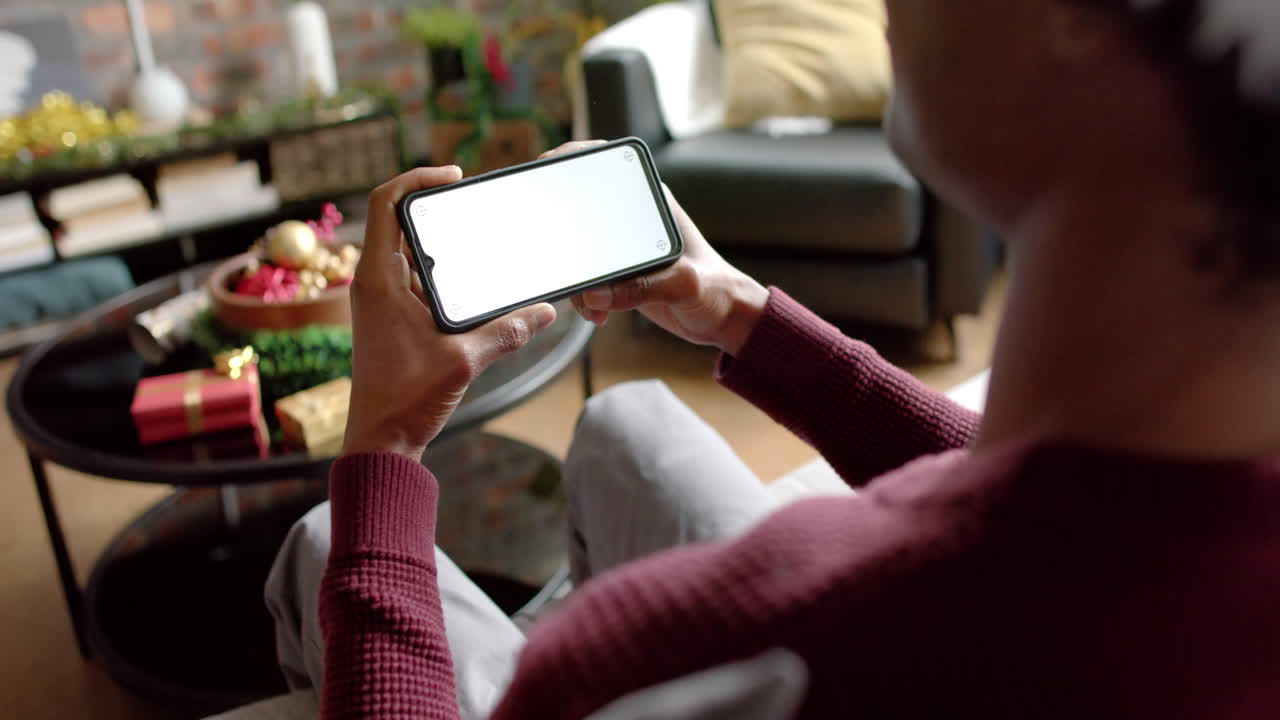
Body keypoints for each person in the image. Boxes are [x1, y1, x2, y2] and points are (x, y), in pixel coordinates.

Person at [266, 0, 1280, 717]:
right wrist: (738, 312)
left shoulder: (694, 654)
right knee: (626, 423)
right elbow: (1091, 517)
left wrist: (385, 442)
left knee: (326, 535)